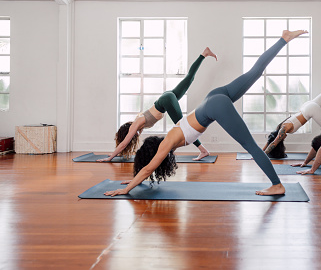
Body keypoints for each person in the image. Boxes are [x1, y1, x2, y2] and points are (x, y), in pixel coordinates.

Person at [104, 30, 308, 197]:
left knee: (251, 146)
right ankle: (284, 39)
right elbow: (147, 168)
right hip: (213, 97)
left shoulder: (166, 145)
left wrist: (126, 189)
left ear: (152, 154)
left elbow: (149, 169)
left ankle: (277, 185)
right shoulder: (168, 138)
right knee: (254, 72)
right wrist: (134, 178)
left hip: (214, 107)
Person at [98, 47, 217, 162]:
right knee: (189, 79)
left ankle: (203, 150)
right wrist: (116, 153)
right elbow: (125, 143)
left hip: (166, 100)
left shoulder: (136, 124)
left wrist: (110, 157)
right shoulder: (139, 126)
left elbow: (124, 143)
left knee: (185, 127)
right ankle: (204, 54)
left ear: (127, 132)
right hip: (167, 97)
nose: (132, 137)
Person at [263, 69, 321, 158]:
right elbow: (270, 140)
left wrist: (263, 155)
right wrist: (262, 151)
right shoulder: (279, 127)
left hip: (310, 110)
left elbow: (273, 142)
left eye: (282, 139)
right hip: (306, 107)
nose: (284, 137)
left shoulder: (283, 130)